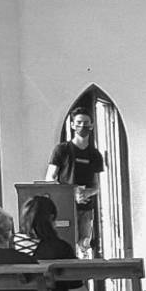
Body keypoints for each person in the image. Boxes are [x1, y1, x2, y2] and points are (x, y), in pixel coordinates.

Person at [45, 110, 104, 257]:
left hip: (86, 208)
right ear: (72, 125)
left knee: (84, 245)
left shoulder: (95, 154)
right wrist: (71, 192)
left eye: (86, 123)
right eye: (79, 123)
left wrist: (87, 193)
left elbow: (97, 186)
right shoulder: (61, 150)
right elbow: (50, 179)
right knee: (65, 243)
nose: (82, 126)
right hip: (64, 206)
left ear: (91, 126)